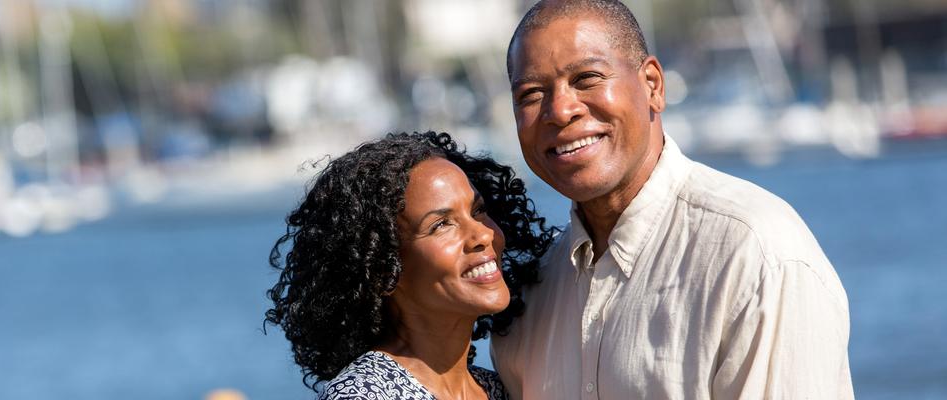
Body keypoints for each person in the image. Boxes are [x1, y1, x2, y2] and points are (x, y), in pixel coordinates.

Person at [490, 1, 854, 398]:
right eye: (531, 94)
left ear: (653, 85)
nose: (560, 111)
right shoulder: (529, 300)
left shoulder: (753, 252)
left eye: (587, 78)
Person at [265, 132, 555, 399]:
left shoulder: (496, 388)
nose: (482, 234)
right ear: (382, 270)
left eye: (477, 210)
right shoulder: (364, 395)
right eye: (442, 224)